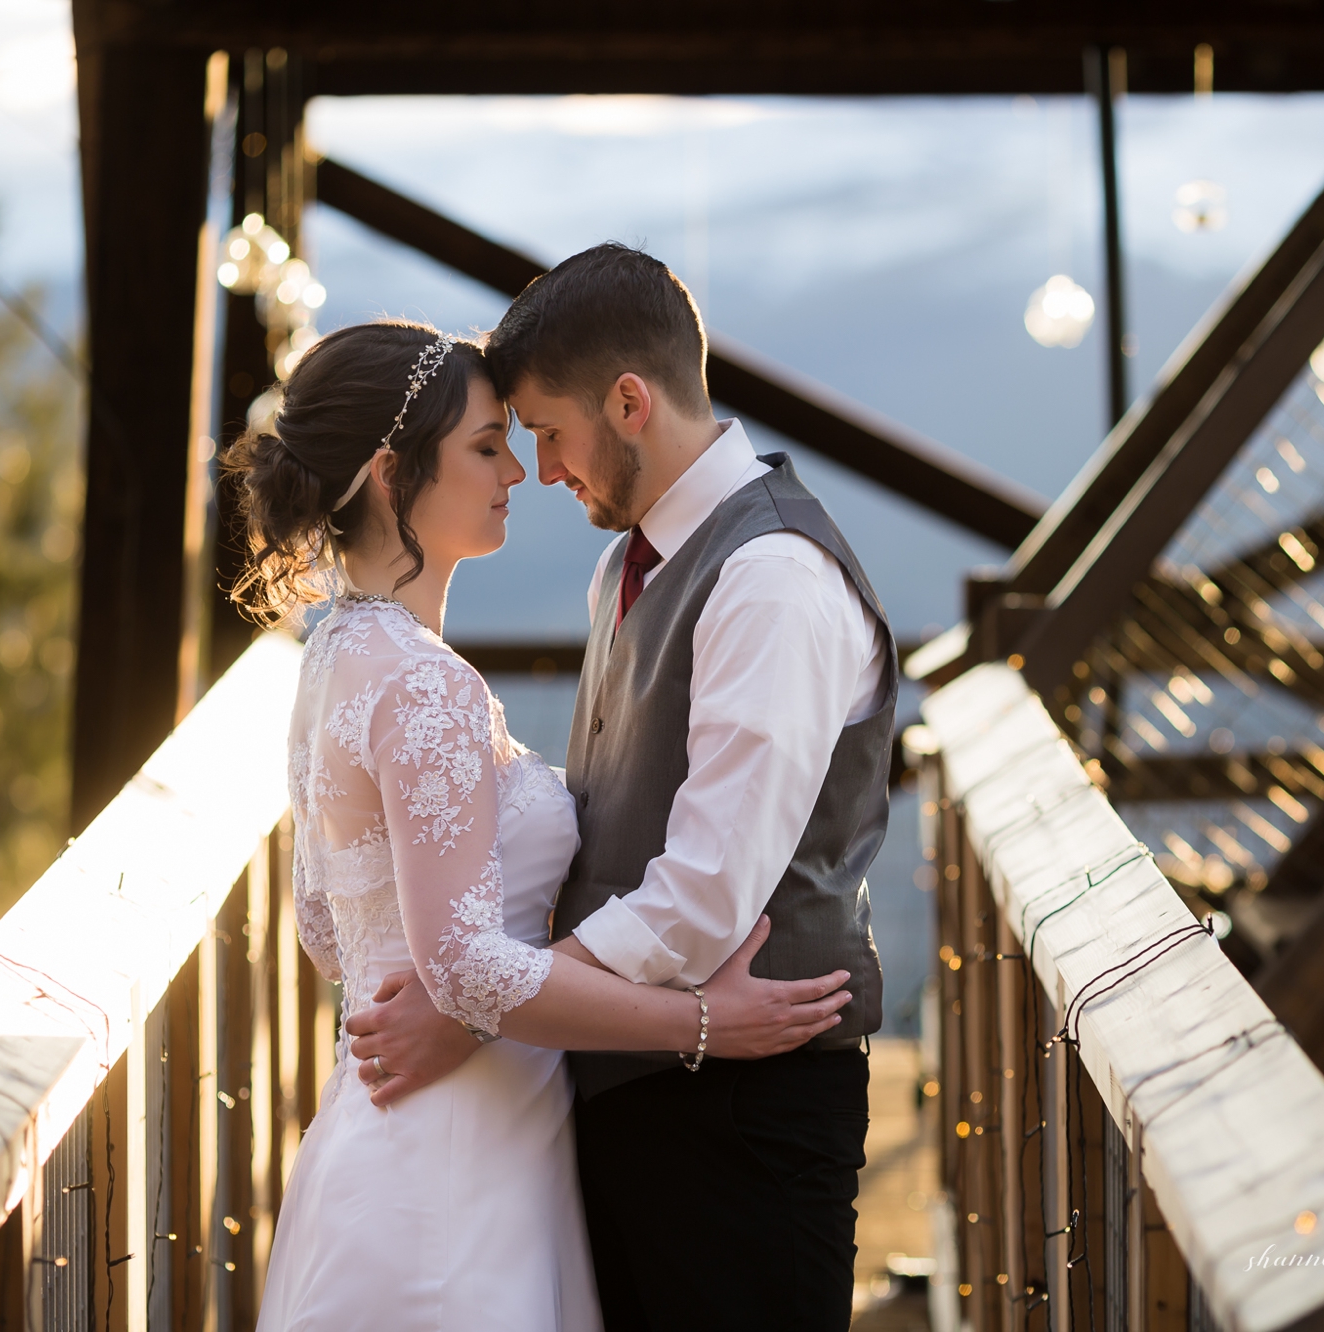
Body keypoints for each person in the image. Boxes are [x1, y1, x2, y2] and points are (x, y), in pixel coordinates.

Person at [225, 320, 854, 1331]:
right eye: (484, 445)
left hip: (399, 1146)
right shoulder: (425, 686)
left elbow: (330, 934)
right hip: (454, 1180)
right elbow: (467, 970)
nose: (516, 468)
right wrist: (702, 1026)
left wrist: (455, 968)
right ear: (393, 475)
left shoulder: (334, 654)